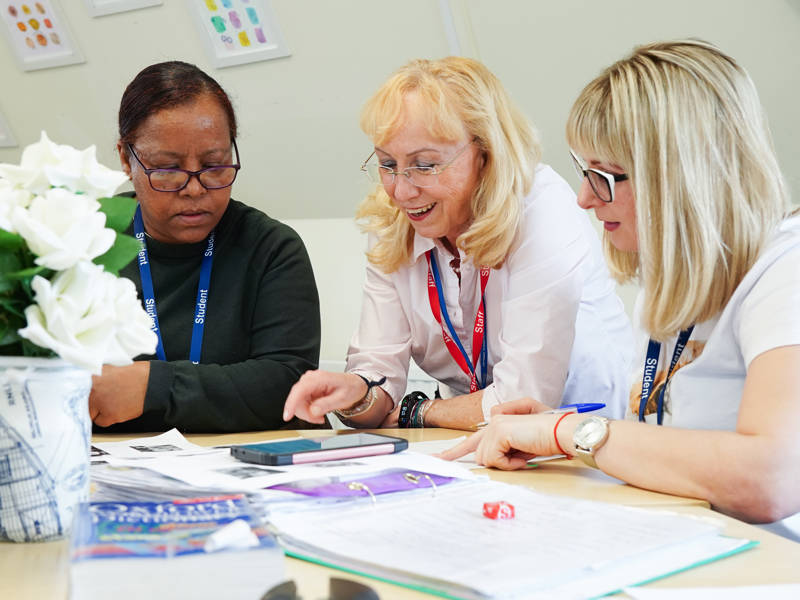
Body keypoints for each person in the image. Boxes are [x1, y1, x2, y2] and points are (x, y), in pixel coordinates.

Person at [441, 40, 800, 540]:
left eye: (604, 176)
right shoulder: (673, 280)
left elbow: (774, 478)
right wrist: (557, 425)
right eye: (583, 171)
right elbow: (674, 448)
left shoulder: (786, 270)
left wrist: (572, 434)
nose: (585, 198)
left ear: (679, 173)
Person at [283, 57, 631, 430]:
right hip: (470, 443)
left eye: (426, 165)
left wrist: (417, 412)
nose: (401, 190)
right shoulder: (394, 219)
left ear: (485, 153)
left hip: (587, 440)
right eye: (387, 164)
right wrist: (354, 392)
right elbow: (377, 377)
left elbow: (524, 402)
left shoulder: (542, 210)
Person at [90, 61, 321, 432]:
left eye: (215, 165)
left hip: (243, 466)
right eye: (168, 168)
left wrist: (154, 387)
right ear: (124, 158)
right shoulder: (81, 243)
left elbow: (288, 384)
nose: (195, 189)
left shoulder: (271, 249)